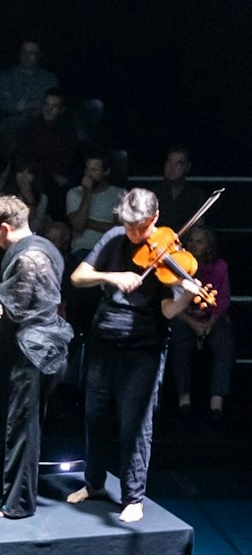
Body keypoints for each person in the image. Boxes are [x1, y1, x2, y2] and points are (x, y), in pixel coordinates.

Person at [67, 189, 205, 523]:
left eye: (140, 228)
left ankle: (133, 497)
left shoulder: (169, 251)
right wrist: (111, 276)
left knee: (135, 423)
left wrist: (186, 297)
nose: (134, 234)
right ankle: (94, 483)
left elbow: (169, 311)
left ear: (154, 219)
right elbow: (77, 277)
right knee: (95, 415)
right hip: (103, 340)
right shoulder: (114, 238)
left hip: (143, 347)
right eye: (128, 226)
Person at [0, 195, 72, 519]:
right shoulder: (43, 246)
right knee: (6, 421)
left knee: (22, 429)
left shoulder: (30, 257)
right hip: (23, 348)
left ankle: (17, 503)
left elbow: (15, 309)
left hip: (34, 351)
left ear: (3, 228)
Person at [165, 226, 232, 423]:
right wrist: (193, 324)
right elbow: (173, 302)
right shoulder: (178, 266)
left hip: (211, 317)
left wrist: (209, 324)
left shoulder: (219, 266)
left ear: (208, 246)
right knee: (180, 341)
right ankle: (183, 396)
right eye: (191, 241)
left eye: (199, 241)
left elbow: (223, 300)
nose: (194, 245)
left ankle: (217, 399)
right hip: (184, 317)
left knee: (224, 342)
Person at [0, 40, 58, 154]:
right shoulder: (6, 77)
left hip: (41, 123)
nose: (27, 56)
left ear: (39, 55)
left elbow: (53, 103)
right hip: (13, 125)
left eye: (32, 53)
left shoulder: (49, 78)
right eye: (24, 52)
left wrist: (24, 105)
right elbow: (7, 106)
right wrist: (37, 103)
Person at [63, 154, 120, 254]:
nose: (89, 174)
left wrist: (88, 223)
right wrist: (87, 193)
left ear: (106, 172)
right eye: (87, 169)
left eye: (94, 170)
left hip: (109, 250)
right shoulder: (74, 193)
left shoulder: (119, 194)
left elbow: (119, 229)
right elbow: (78, 225)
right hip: (82, 250)